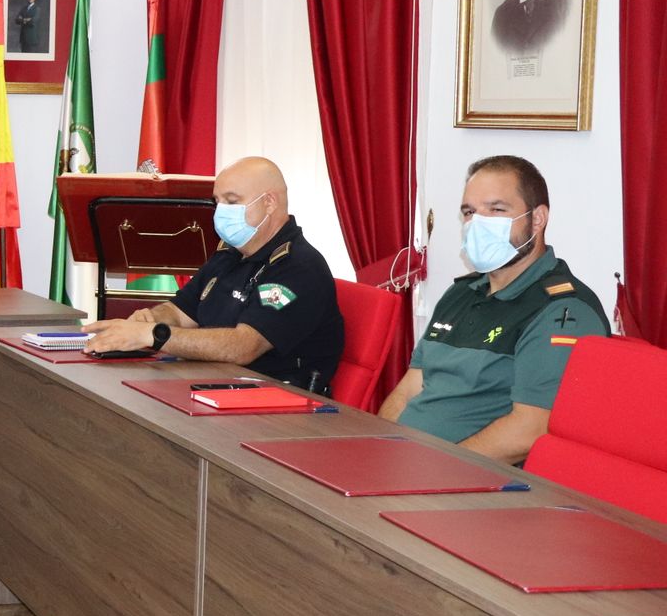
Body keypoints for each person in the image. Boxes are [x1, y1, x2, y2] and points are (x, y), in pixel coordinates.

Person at [378, 155, 607, 463]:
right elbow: (409, 389)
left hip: (472, 477)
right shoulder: (461, 293)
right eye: (469, 212)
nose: (477, 223)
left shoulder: (562, 310)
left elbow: (531, 431)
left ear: (537, 219)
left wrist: (436, 468)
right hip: (405, 462)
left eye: (497, 210)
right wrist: (381, 447)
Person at [84, 156, 345, 393]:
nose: (221, 212)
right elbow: (181, 312)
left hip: (276, 402)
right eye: (217, 202)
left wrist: (154, 334)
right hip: (215, 383)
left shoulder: (298, 267)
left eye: (231, 201)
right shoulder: (230, 254)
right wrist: (151, 318)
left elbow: (244, 347)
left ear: (269, 203)